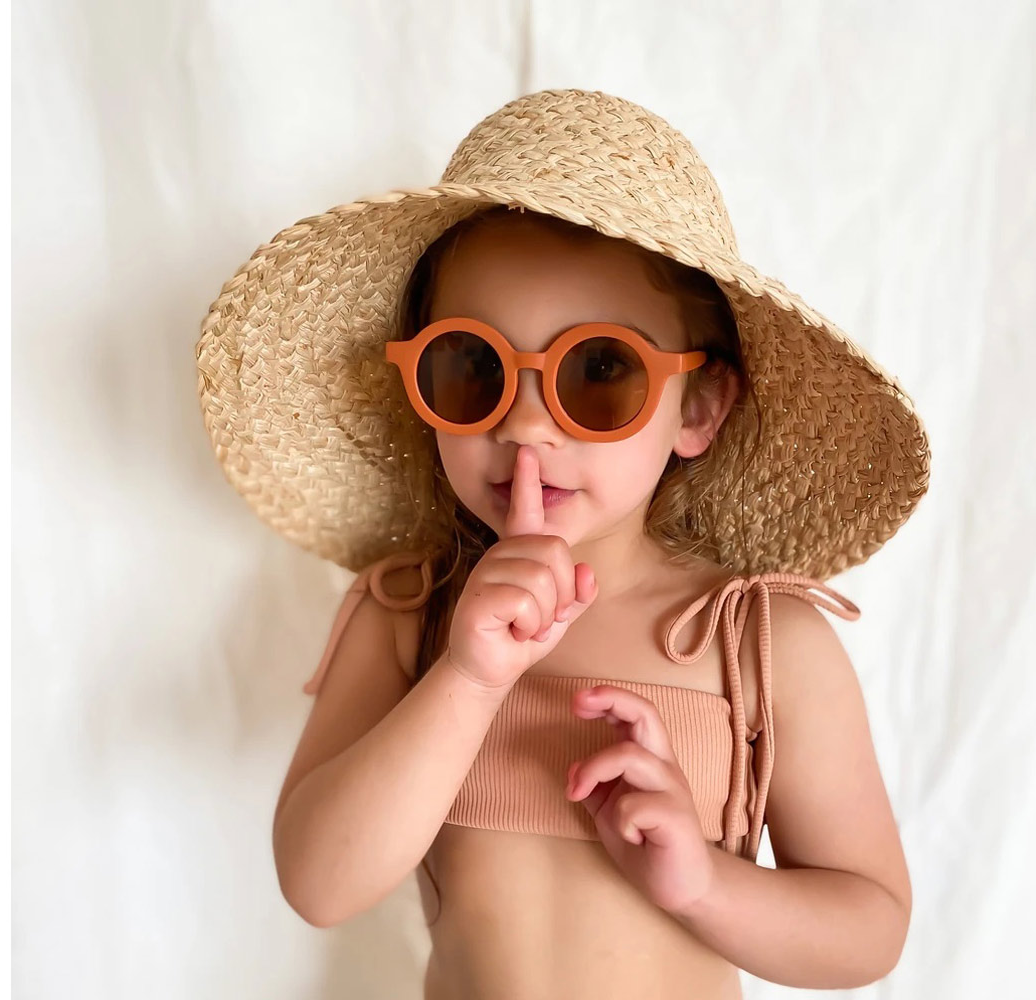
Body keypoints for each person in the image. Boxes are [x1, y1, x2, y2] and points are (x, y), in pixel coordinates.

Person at [196, 88, 930, 998]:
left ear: (696, 408)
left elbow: (869, 930)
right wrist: (465, 679)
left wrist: (705, 885)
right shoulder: (410, 613)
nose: (527, 425)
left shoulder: (756, 642)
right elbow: (318, 881)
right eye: (472, 369)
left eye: (600, 371)